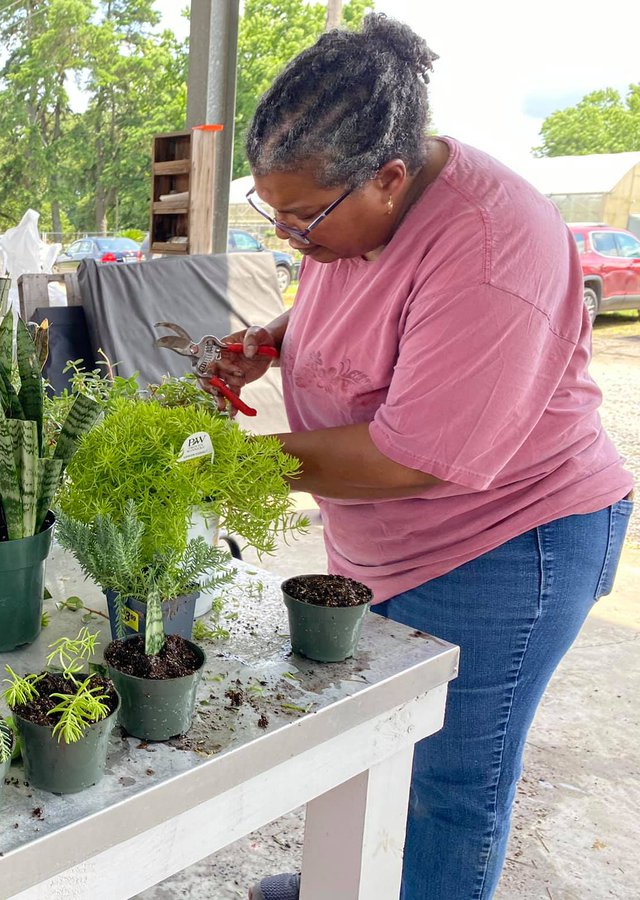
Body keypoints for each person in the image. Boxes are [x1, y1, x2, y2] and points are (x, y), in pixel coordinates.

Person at [207, 16, 634, 900]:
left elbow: (415, 457)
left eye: (302, 216)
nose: (288, 234)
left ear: (392, 178)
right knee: (372, 735)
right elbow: (362, 298)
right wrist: (276, 341)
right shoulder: (350, 207)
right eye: (271, 209)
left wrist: (229, 469)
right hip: (390, 537)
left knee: (452, 784)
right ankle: (352, 881)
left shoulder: (489, 244)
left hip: (508, 542)